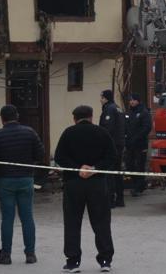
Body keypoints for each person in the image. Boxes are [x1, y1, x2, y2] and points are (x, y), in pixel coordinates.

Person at [55, 105, 117, 273]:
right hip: (97, 184)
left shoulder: (68, 133)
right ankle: (105, 260)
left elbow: (59, 156)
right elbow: (112, 156)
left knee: (72, 221)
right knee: (101, 221)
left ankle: (73, 261)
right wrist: (95, 168)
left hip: (73, 183)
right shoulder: (102, 132)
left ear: (74, 118)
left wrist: (77, 168)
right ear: (91, 116)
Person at [0, 105, 45, 265]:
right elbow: (40, 154)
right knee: (27, 217)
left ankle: (6, 254)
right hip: (26, 179)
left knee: (7, 218)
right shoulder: (30, 132)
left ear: (1, 118)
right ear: (17, 116)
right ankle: (30, 254)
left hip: (5, 180)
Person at [99, 90, 125, 208]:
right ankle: (120, 198)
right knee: (117, 172)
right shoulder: (118, 108)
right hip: (119, 143)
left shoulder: (109, 109)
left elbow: (107, 129)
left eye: (102, 97)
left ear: (106, 98)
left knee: (109, 172)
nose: (100, 99)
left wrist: (102, 143)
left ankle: (110, 200)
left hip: (112, 144)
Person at [125, 93, 151, 197]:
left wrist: (136, 138)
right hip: (130, 144)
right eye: (130, 100)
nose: (131, 102)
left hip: (140, 144)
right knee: (129, 165)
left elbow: (146, 128)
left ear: (138, 101)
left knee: (139, 166)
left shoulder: (144, 113)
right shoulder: (130, 113)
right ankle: (138, 184)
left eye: (133, 100)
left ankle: (138, 187)